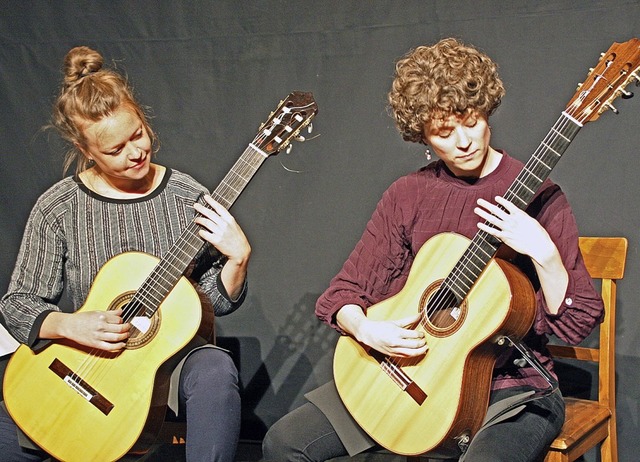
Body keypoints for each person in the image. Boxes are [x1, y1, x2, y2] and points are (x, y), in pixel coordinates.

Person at [262, 37, 604, 462]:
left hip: (508, 387)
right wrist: (369, 330)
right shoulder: (409, 194)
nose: (464, 141)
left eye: (472, 121)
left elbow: (577, 324)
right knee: (284, 443)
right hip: (411, 372)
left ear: (487, 112)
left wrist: (546, 255)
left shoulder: (540, 194)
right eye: (444, 132)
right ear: (421, 135)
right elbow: (345, 293)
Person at [0, 46, 251, 461]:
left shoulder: (187, 196)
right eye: (115, 150)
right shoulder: (58, 207)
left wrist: (238, 260)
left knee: (215, 371)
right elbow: (18, 304)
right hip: (84, 362)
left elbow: (213, 299)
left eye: (137, 134)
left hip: (166, 363)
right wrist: (70, 325)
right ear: (87, 152)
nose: (136, 152)